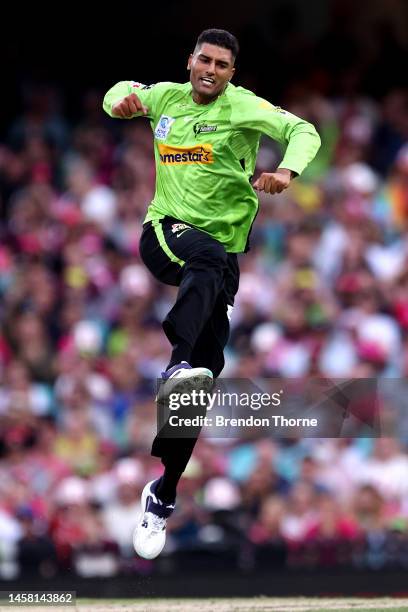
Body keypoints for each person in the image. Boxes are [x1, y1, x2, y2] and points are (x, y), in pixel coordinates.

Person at [103, 28, 321, 559]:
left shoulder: (243, 107)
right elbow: (115, 94)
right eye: (205, 60)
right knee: (200, 264)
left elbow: (304, 131)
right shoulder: (164, 98)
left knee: (202, 382)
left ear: (231, 73)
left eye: (222, 65)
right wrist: (121, 101)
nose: (212, 70)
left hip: (221, 262)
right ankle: (175, 362)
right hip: (166, 233)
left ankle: (163, 494)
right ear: (190, 60)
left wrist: (288, 170)